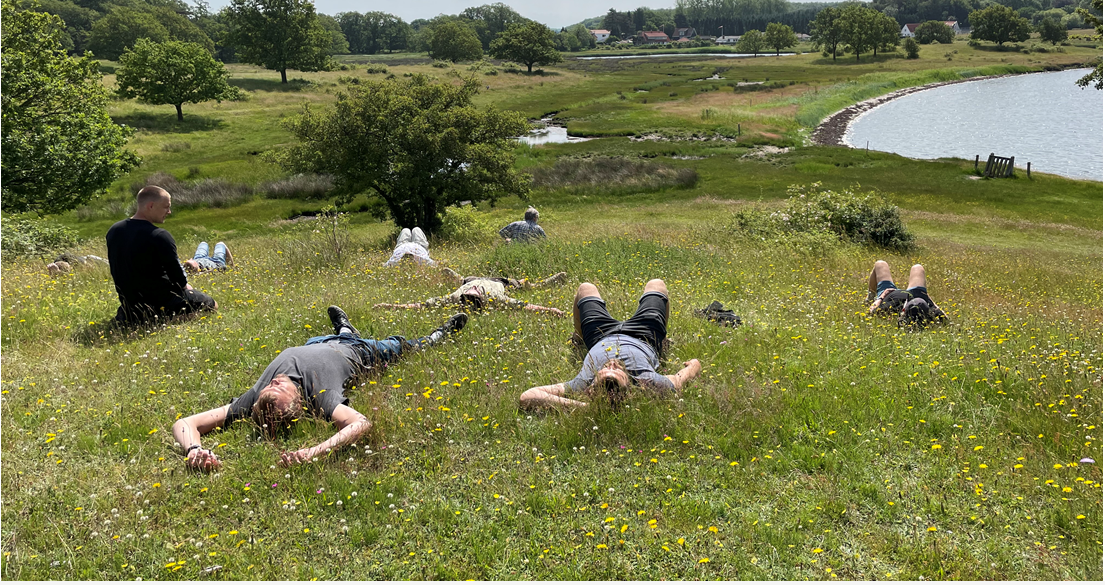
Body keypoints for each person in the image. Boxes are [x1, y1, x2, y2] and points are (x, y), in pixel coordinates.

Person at [171, 306, 468, 471]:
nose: (275, 381)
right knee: (402, 346)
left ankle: (344, 326)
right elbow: (361, 423)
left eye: (270, 387)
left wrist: (194, 449)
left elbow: (185, 423)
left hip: (319, 342)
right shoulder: (320, 397)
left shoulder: (253, 401)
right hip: (360, 352)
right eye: (278, 387)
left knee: (338, 334)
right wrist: (314, 451)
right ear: (297, 401)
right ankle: (439, 335)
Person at [519, 279, 702, 410]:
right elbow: (679, 380)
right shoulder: (648, 380)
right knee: (657, 285)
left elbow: (528, 396)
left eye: (605, 370)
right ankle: (663, 340)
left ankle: (579, 337)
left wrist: (583, 407)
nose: (612, 364)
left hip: (600, 334)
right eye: (617, 372)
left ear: (591, 388)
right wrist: (694, 365)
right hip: (643, 335)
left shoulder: (581, 384)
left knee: (586, 288)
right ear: (630, 385)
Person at [106, 186, 216, 324]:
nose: (169, 212)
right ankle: (162, 321)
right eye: (166, 207)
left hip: (131, 304)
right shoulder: (159, 235)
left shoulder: (114, 231)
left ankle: (136, 319)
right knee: (212, 305)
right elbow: (178, 279)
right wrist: (187, 289)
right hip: (162, 302)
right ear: (151, 206)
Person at [373, 271, 568, 316]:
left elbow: (421, 305)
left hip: (469, 278)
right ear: (482, 299)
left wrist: (390, 306)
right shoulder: (496, 298)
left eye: (470, 296)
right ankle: (545, 284)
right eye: (473, 296)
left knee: (460, 279)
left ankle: (456, 275)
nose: (472, 293)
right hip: (499, 282)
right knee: (526, 285)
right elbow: (524, 306)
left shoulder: (455, 297)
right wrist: (550, 309)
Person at [866, 260, 946, 326]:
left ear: (904, 310)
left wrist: (882, 296)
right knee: (917, 268)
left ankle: (869, 297)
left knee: (880, 264)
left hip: (891, 292)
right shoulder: (933, 313)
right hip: (918, 294)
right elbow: (946, 318)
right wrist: (928, 299)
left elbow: (872, 310)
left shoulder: (891, 308)